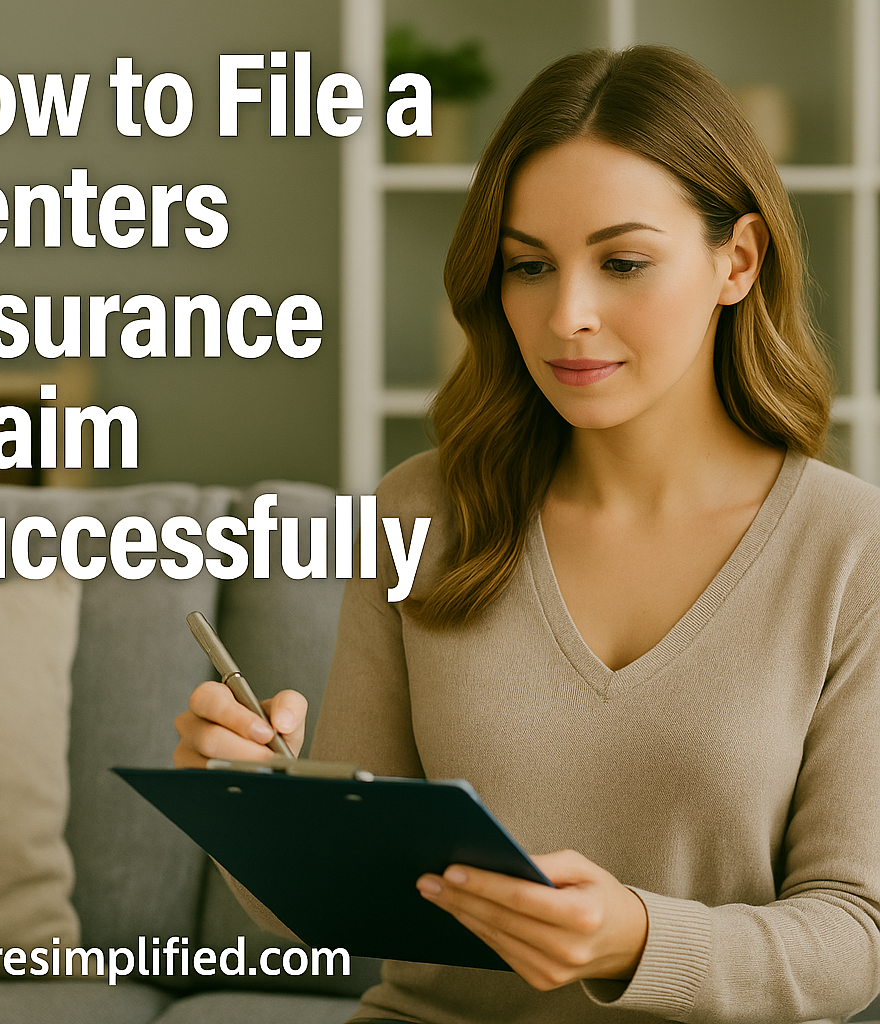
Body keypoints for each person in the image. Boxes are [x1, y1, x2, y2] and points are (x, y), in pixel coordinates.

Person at [173, 45, 880, 1023]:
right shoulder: (418, 514)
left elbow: (855, 936)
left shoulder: (850, 548)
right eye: (528, 266)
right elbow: (337, 911)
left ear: (739, 260)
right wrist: (249, 801)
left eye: (622, 262)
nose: (567, 315)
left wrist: (638, 937)